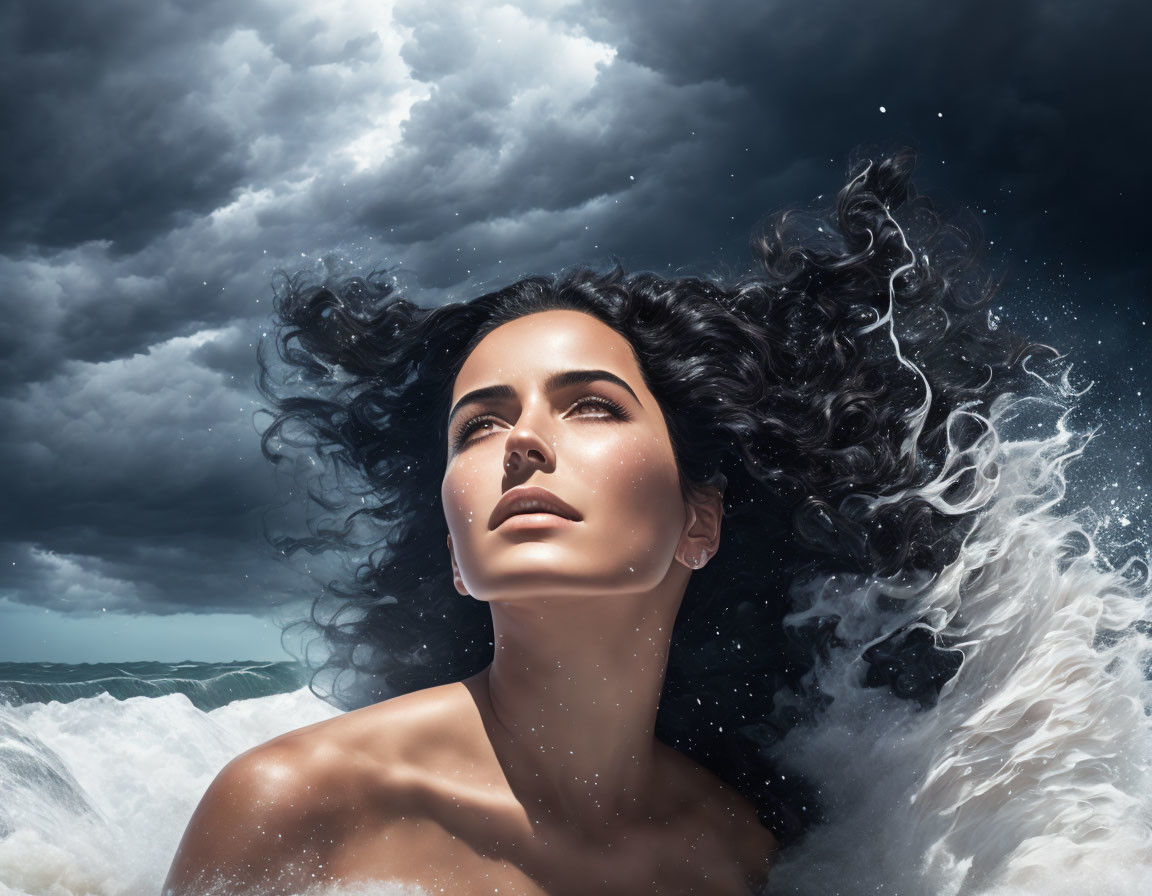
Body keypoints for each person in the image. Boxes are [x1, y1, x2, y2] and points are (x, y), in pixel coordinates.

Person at [163, 149, 1036, 895]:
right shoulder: (295, 807)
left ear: (703, 518)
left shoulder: (737, 856)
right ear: (457, 556)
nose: (523, 444)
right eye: (480, 424)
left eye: (590, 407)